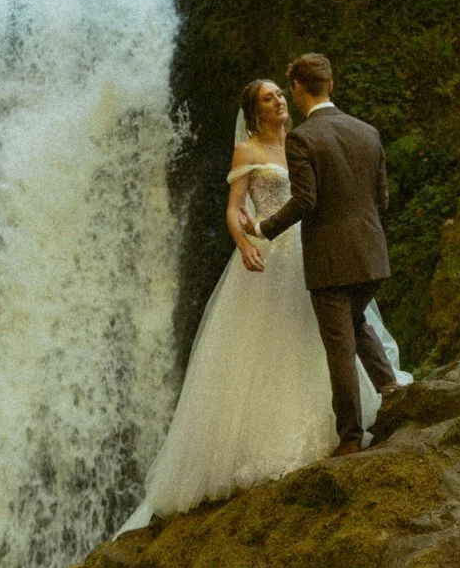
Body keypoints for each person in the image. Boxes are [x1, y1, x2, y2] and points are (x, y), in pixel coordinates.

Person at [121, 75, 405, 528]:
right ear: (254, 112)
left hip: (314, 249)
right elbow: (235, 207)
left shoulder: (302, 140)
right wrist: (242, 241)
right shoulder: (248, 151)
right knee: (274, 340)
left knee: (329, 331)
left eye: (279, 94)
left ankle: (362, 412)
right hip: (270, 254)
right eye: (267, 98)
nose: (277, 102)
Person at [247, 52, 399, 457]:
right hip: (372, 256)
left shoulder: (303, 138)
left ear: (297, 90)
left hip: (331, 262)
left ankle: (350, 438)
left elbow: (306, 201)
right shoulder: (368, 132)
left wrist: (263, 228)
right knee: (357, 322)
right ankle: (395, 395)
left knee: (339, 347)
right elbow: (381, 199)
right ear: (331, 84)